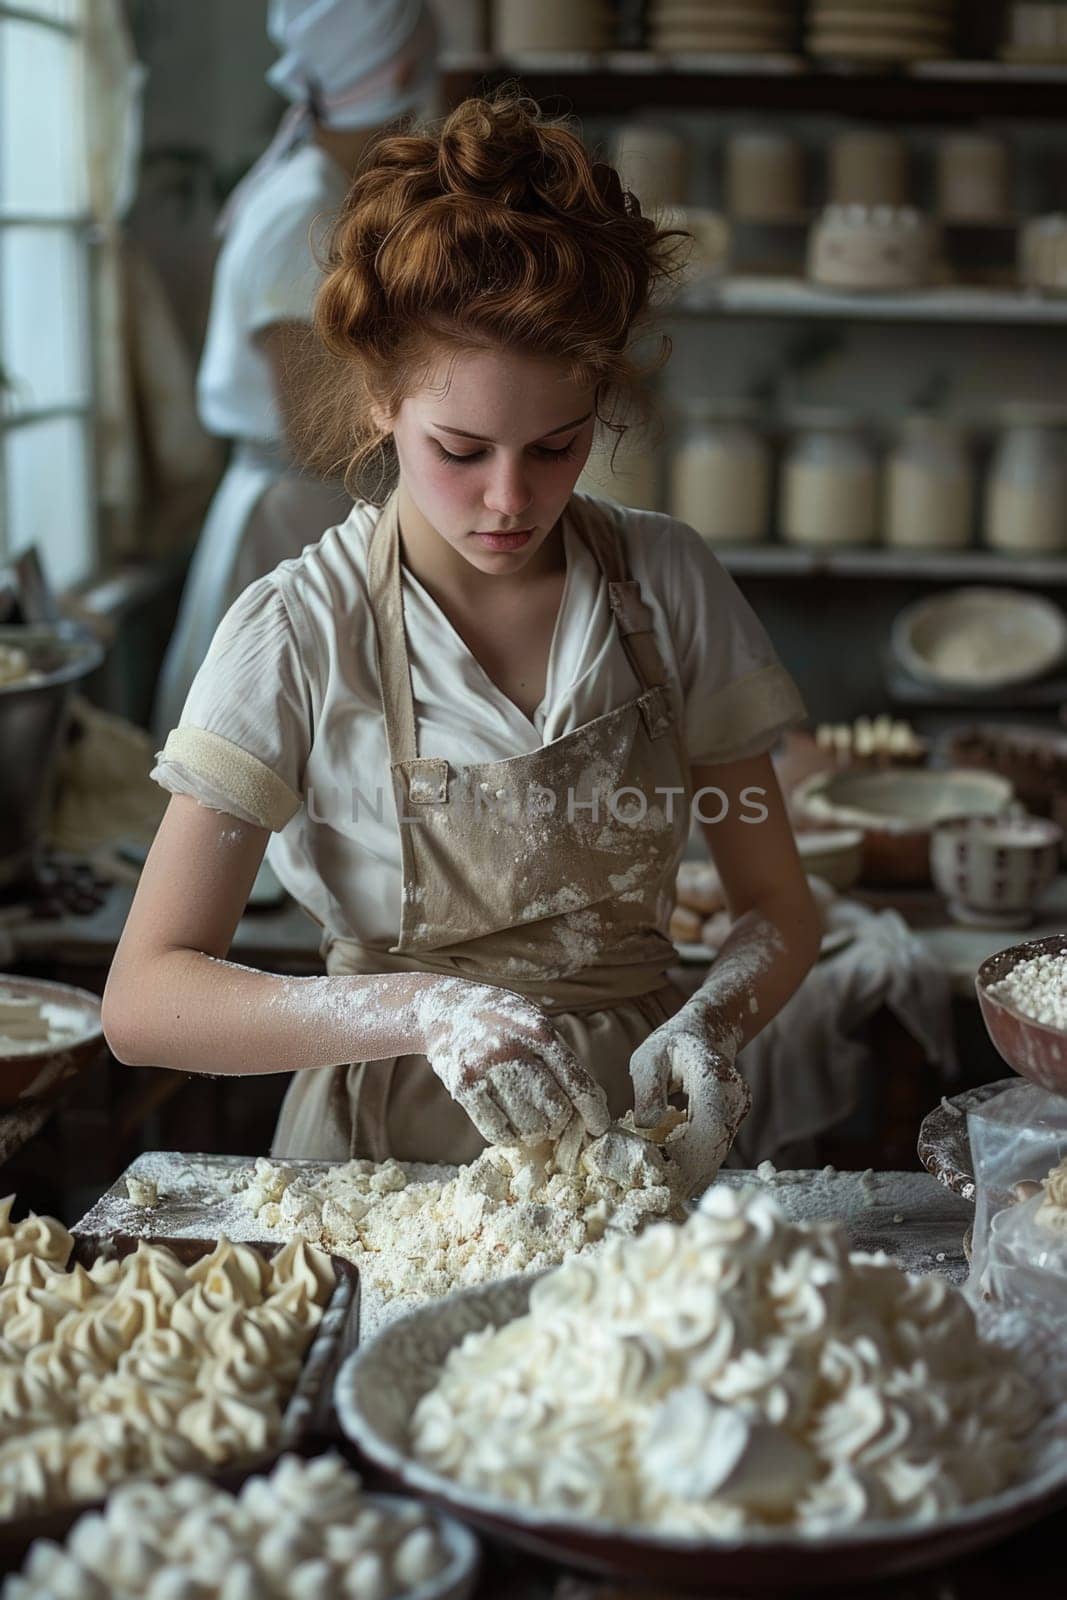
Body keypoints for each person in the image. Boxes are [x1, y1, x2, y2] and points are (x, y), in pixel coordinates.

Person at [105, 91, 821, 1197]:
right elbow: (145, 1000)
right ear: (380, 401)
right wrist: (422, 1003)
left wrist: (710, 1019)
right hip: (379, 1157)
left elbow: (775, 908)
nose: (508, 497)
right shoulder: (299, 629)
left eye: (555, 444)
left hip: (637, 1146)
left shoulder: (665, 583)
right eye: (460, 447)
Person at [151, 0, 439, 740]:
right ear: (401, 70)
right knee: (267, 755)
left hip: (302, 503)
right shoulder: (302, 209)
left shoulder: (319, 192)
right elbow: (314, 429)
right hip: (291, 516)